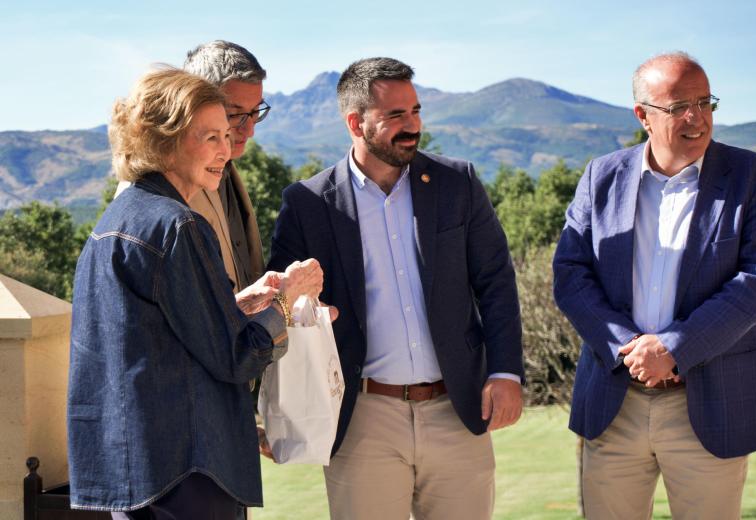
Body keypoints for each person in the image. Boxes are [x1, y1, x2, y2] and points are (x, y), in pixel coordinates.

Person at [268, 57, 525, 519]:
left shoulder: (457, 183)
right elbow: (280, 307)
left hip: (456, 409)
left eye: (416, 111)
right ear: (356, 122)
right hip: (362, 416)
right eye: (396, 116)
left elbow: (496, 283)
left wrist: (505, 372)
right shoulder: (307, 203)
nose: (413, 126)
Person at [67, 68, 323, 518]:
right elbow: (236, 356)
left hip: (138, 469)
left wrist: (240, 303)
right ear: (164, 141)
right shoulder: (178, 225)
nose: (226, 150)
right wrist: (288, 298)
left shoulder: (115, 221)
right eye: (210, 137)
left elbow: (160, 334)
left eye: (227, 135)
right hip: (188, 472)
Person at [553, 52, 756, 519]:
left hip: (710, 405)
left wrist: (672, 348)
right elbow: (571, 275)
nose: (697, 117)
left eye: (704, 102)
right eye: (678, 106)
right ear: (642, 115)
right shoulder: (601, 176)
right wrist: (628, 348)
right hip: (614, 402)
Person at [117, 40, 268, 293]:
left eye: (255, 112)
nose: (250, 129)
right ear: (194, 101)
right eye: (235, 114)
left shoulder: (222, 165)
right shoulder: (146, 193)